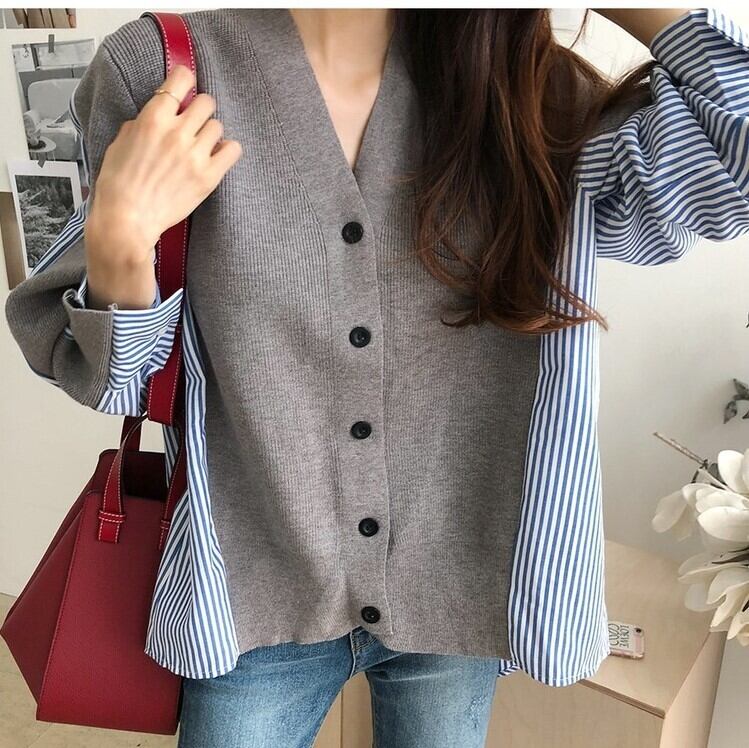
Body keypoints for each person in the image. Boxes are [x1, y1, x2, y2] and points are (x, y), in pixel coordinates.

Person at [5, 7, 748, 747]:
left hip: (460, 592)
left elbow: (734, 160)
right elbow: (117, 382)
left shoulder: (530, 95)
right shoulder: (163, 70)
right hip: (252, 590)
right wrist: (121, 236)